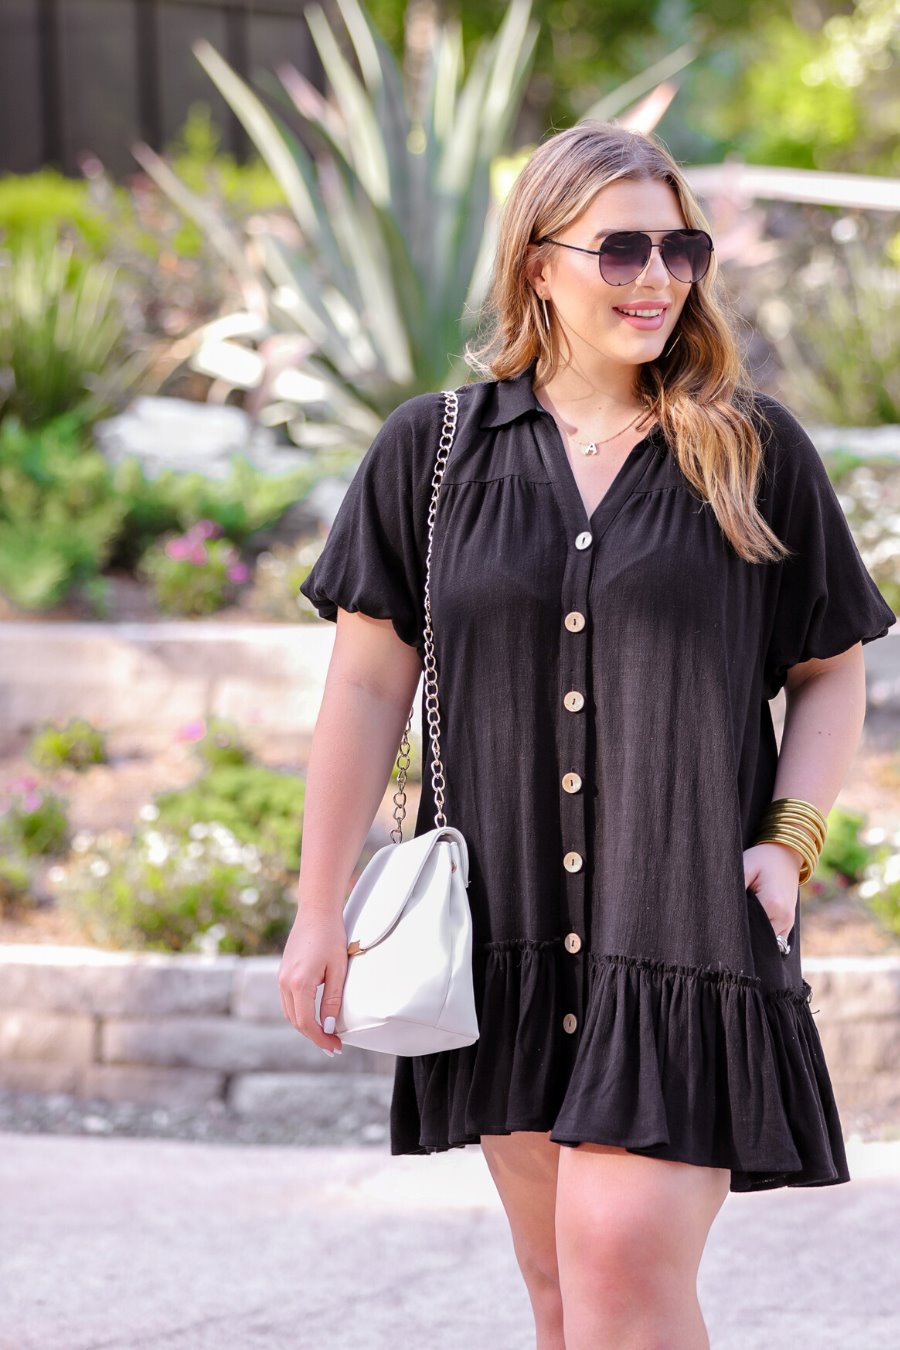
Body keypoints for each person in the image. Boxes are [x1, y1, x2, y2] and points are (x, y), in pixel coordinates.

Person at [279, 120, 896, 1349]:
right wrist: (316, 905)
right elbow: (363, 690)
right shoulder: (433, 453)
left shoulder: (751, 450)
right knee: (563, 1299)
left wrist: (790, 840)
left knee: (617, 1274)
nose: (658, 276)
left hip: (680, 934)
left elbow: (831, 668)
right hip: (503, 938)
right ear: (538, 264)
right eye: (621, 249)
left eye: (681, 247)